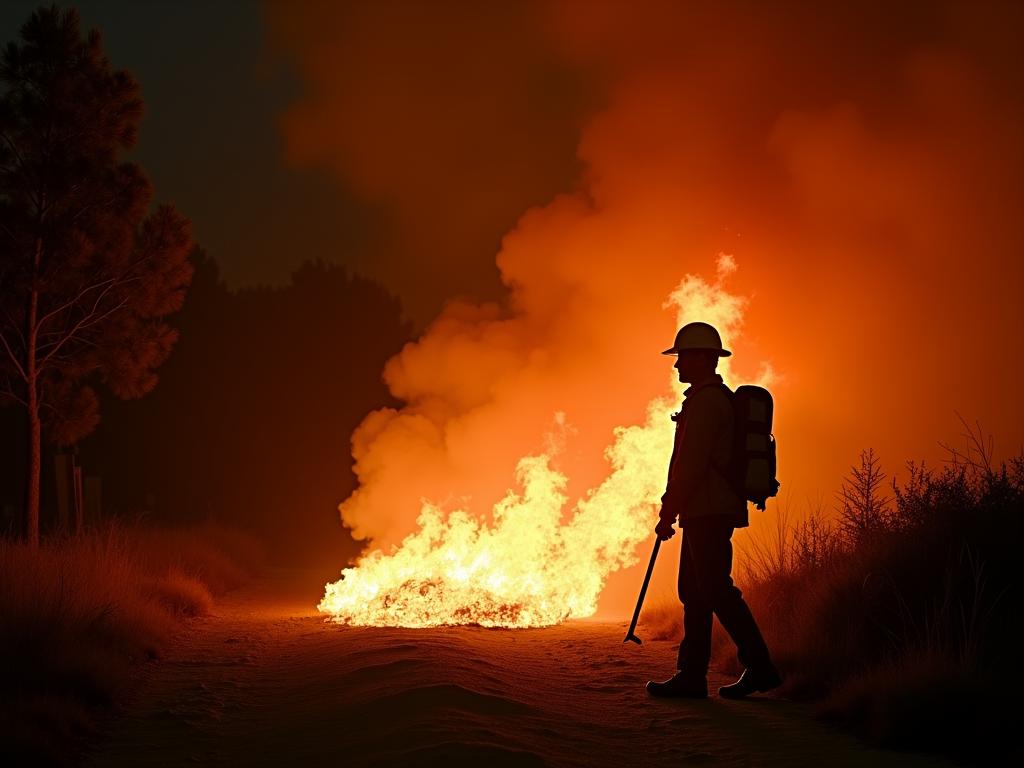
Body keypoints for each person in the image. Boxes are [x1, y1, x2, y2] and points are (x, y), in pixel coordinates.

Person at [646, 321, 782, 699]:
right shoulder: (707, 399)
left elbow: (690, 464)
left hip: (708, 509)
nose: (677, 365)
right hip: (705, 509)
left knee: (715, 590)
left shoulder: (707, 403)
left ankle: (759, 668)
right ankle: (693, 676)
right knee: (696, 592)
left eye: (683, 357)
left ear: (704, 359)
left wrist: (668, 511)